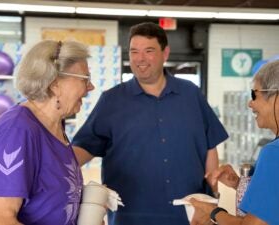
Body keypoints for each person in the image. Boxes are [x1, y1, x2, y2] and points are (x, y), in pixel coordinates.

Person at [71, 22, 228, 225]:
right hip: (130, 216)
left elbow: (209, 145)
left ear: (165, 53)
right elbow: (84, 147)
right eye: (134, 51)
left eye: (149, 51)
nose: (140, 59)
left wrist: (211, 196)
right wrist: (50, 168)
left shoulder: (190, 94)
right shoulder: (112, 100)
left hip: (187, 215)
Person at [0, 40, 94, 225]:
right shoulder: (18, 131)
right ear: (55, 83)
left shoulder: (55, 128)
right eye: (85, 79)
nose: (91, 87)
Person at [189, 60, 279, 225]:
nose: (250, 103)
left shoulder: (274, 153)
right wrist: (240, 185)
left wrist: (213, 212)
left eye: (254, 95)